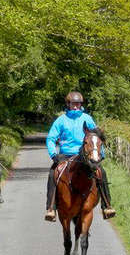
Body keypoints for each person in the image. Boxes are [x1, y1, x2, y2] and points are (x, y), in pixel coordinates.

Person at [44, 91, 116, 222]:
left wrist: (101, 154)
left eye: (78, 104)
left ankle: (107, 206)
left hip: (85, 155)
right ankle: (51, 208)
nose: (76, 106)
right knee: (52, 173)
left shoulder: (87, 118)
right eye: (73, 104)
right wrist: (53, 154)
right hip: (66, 154)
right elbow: (51, 138)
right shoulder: (61, 120)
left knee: (101, 172)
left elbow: (97, 137)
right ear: (68, 104)